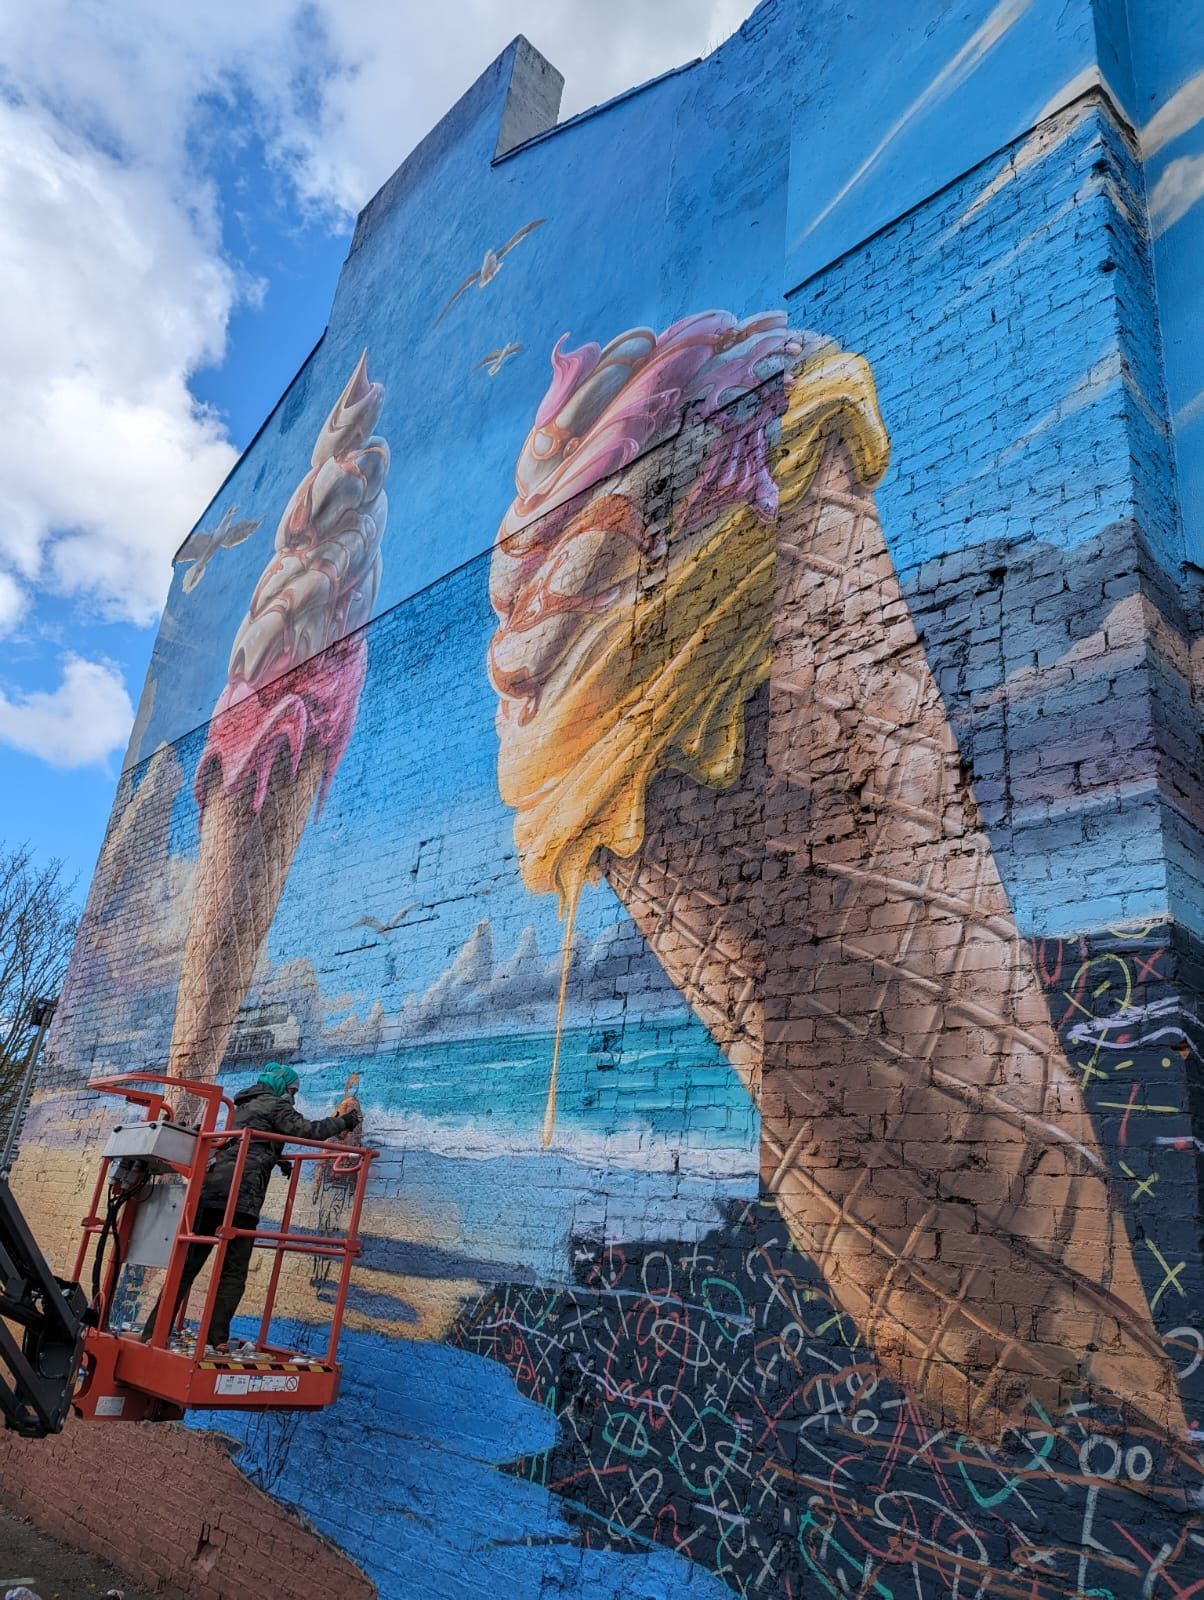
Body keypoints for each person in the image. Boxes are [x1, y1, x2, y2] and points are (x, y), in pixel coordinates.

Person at [140, 1063, 361, 1352]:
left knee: (187, 1264)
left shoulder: (242, 1105)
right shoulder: (273, 1104)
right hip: (241, 1196)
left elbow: (250, 1140)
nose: (292, 1097)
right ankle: (214, 1338)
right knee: (234, 1269)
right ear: (281, 1085)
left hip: (211, 1189)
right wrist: (345, 1122)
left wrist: (276, 1158)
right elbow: (308, 1130)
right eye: (292, 1090)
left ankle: (153, 1331)